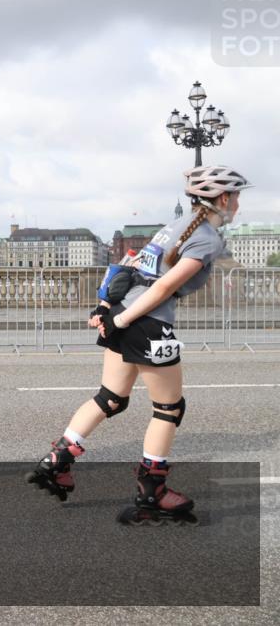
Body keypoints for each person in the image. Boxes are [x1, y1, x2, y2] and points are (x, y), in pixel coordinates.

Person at [27, 164, 253, 523]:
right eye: (237, 196)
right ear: (223, 198)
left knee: (109, 398)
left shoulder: (172, 227)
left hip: (123, 310)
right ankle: (153, 492)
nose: (239, 203)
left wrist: (105, 308)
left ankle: (58, 460)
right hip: (143, 321)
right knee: (169, 409)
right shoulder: (207, 237)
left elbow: (127, 266)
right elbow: (162, 288)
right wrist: (122, 320)